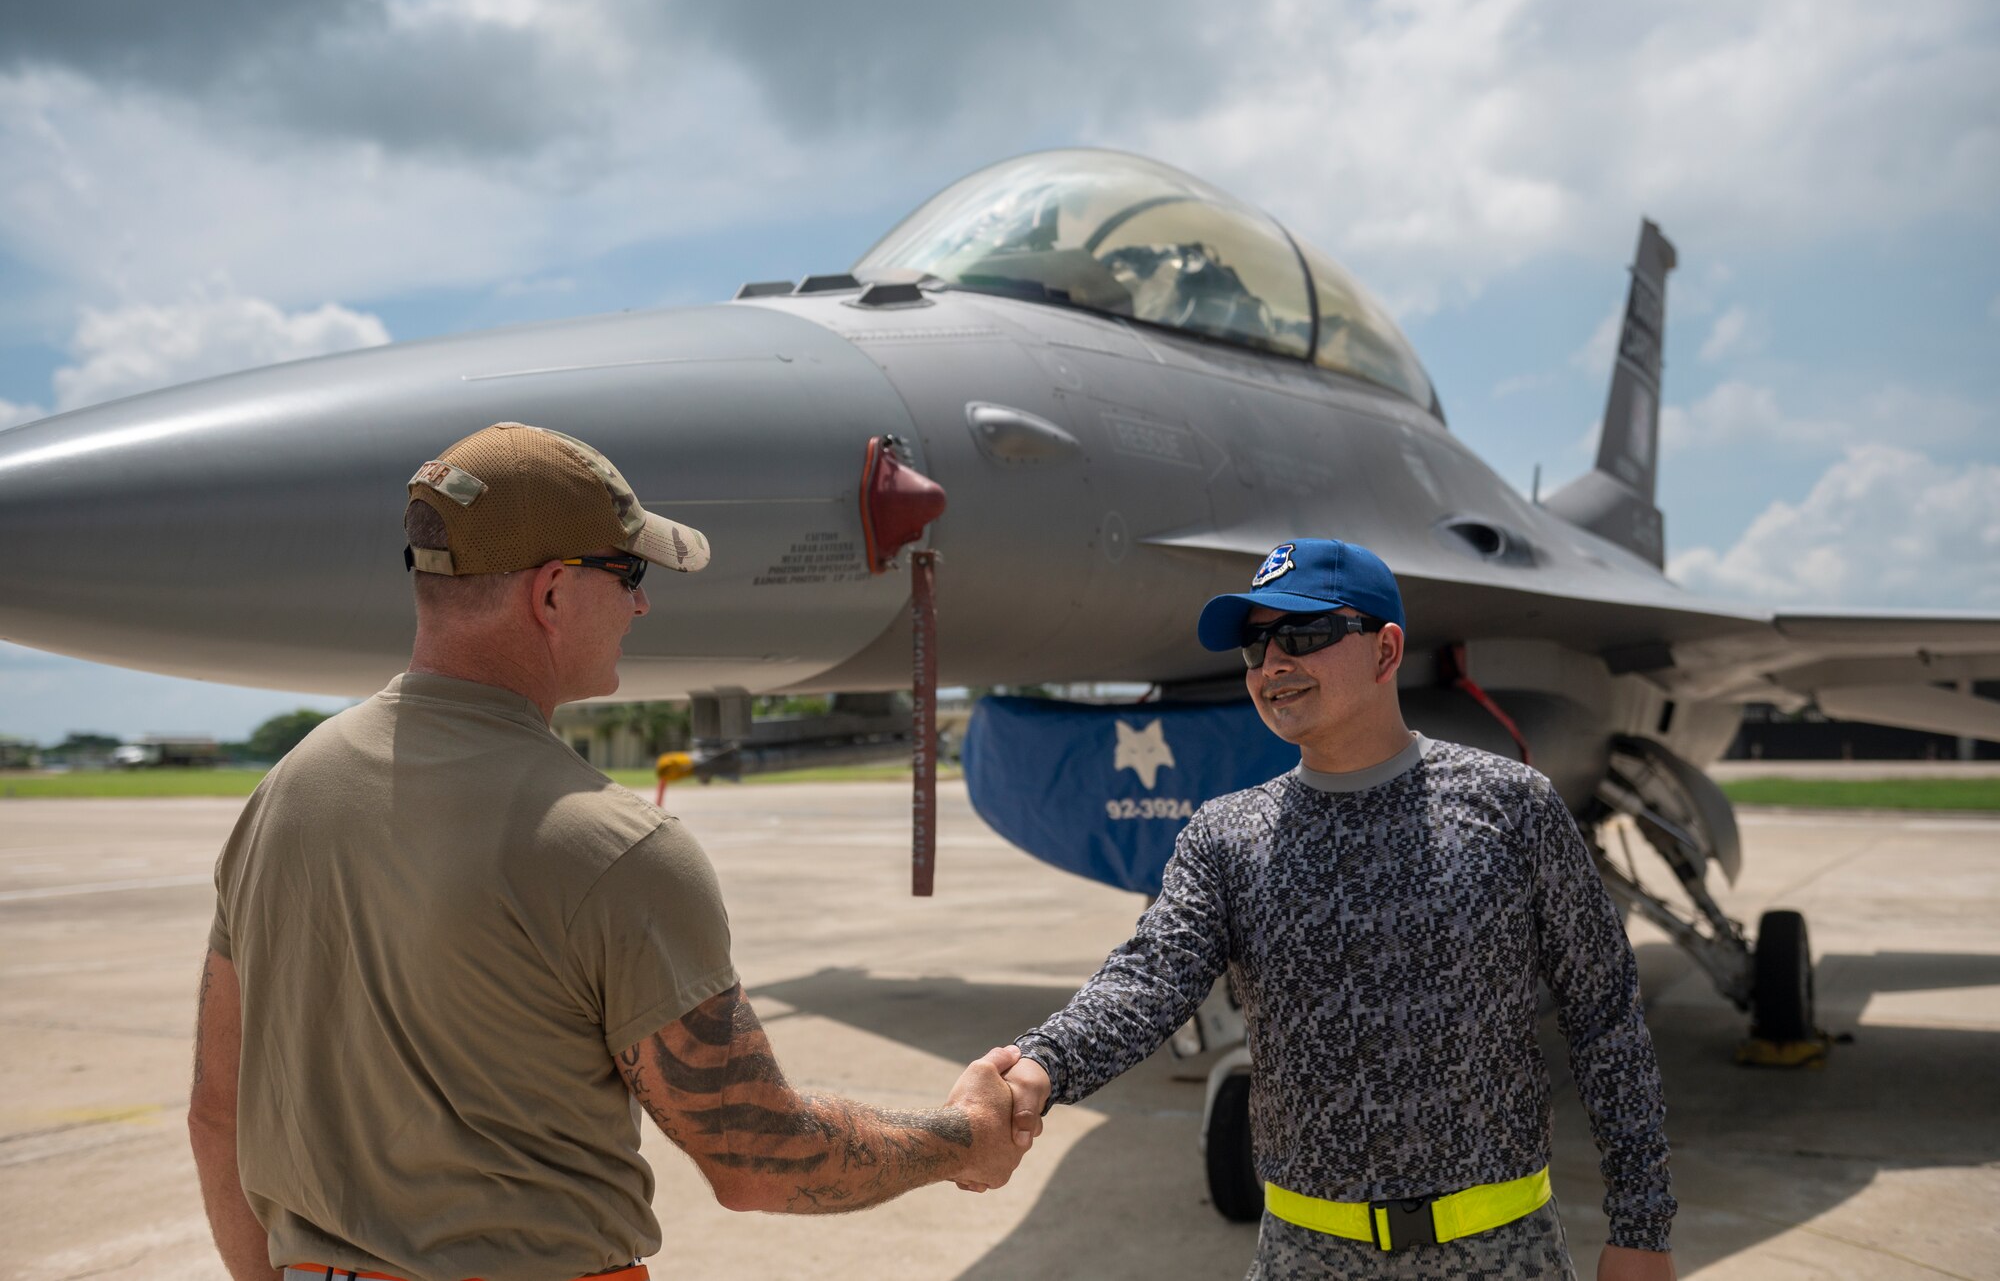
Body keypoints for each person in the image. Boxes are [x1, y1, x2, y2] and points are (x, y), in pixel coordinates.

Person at [189, 422, 1030, 1281]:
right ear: (553, 593)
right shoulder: (613, 846)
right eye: (628, 574)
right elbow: (758, 1156)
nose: (641, 604)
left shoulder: (283, 793)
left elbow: (218, 1113)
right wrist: (964, 1138)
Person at [999, 538, 1676, 1280]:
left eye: (1305, 635)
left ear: (1386, 651)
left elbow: (1605, 1017)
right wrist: (1039, 1066)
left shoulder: (1513, 806)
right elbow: (1149, 978)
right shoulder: (1225, 835)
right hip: (1304, 1256)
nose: (1272, 664)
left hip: (1503, 1252)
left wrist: (1641, 1227)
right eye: (1255, 647)